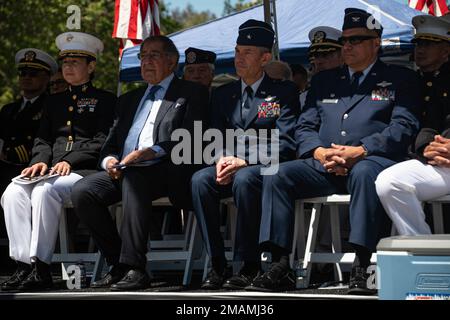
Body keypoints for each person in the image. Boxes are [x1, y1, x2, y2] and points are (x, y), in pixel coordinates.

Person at [253, 8, 421, 294]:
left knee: (366, 174)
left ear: (375, 43)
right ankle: (279, 263)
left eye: (356, 40)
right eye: (345, 41)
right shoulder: (324, 81)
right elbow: (304, 127)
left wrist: (362, 150)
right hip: (326, 163)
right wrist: (318, 152)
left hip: (371, 161)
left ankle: (363, 263)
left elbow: (404, 126)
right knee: (276, 173)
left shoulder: (400, 77)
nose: (347, 46)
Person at [70, 35, 209, 291]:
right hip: (125, 169)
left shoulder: (192, 93)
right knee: (82, 190)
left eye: (153, 55)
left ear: (171, 61)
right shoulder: (129, 100)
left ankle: (136, 267)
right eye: (143, 56)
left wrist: (151, 152)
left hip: (167, 169)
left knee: (135, 180)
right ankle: (118, 264)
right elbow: (110, 143)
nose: (146, 62)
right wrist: (110, 161)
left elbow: (192, 138)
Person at [0, 32, 116, 291]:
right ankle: (23, 264)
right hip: (51, 170)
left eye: (75, 62)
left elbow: (102, 141)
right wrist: (38, 161)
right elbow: (42, 140)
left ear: (91, 66)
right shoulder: (53, 102)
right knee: (13, 192)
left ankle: (40, 266)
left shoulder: (105, 100)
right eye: (65, 62)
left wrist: (70, 162)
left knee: (44, 191)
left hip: (83, 171)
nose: (68, 67)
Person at [191, 19, 300, 290]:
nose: (239, 58)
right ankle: (217, 263)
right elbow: (213, 137)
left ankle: (248, 265)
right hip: (231, 164)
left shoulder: (282, 92)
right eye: (238, 51)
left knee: (245, 178)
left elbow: (285, 141)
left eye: (248, 52)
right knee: (199, 180)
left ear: (265, 58)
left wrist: (245, 161)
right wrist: (221, 159)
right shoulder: (223, 93)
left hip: (265, 167)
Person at [376, 15, 450, 235]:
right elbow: (425, 123)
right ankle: (422, 252)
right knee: (390, 182)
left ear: (446, 51)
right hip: (435, 159)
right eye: (418, 43)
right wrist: (427, 146)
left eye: (428, 44)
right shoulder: (414, 81)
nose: (420, 49)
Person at [0, 49, 58, 210]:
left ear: (46, 77)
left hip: (31, 167)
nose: (26, 77)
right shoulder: (9, 109)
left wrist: (12, 154)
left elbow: (48, 140)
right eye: (22, 73)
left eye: (32, 73)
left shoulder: (52, 106)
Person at [300, 26, 344, 106]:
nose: (318, 61)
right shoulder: (305, 97)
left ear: (342, 56)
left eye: (325, 55)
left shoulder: (357, 89)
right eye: (316, 56)